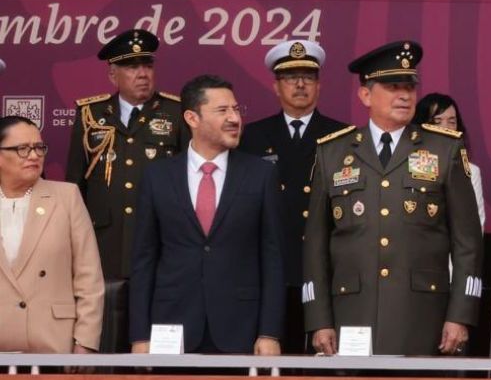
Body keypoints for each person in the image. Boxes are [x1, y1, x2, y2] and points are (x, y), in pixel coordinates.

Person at [303, 41, 483, 356]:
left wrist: (460, 315)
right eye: (392, 86)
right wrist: (319, 319)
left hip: (423, 316)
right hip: (351, 313)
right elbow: (315, 244)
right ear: (365, 95)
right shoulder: (333, 152)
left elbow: (468, 242)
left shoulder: (445, 149)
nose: (404, 95)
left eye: (410, 86)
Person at [129, 75, 285, 355]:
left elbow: (273, 258)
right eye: (222, 110)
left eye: (236, 110)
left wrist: (269, 332)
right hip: (171, 330)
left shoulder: (261, 175)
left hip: (241, 330)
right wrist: (140, 335)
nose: (234, 118)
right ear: (192, 117)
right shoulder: (157, 177)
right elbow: (144, 260)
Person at [65, 29, 187, 353]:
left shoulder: (177, 113)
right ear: (112, 73)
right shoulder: (89, 115)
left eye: (147, 65)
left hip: (162, 244)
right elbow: (75, 186)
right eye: (132, 66)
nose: (142, 73)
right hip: (105, 245)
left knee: (155, 340)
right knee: (105, 339)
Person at [239, 40, 348, 354]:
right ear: (276, 86)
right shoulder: (252, 137)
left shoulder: (341, 137)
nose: (300, 84)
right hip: (270, 265)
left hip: (324, 268)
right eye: (290, 78)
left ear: (320, 85)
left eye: (308, 77)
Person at [0, 116, 104, 355]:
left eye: (39, 147)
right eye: (22, 149)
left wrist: (85, 342)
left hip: (53, 344)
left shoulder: (66, 197)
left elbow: (89, 278)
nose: (34, 155)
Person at [415, 93, 485, 229]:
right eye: (436, 121)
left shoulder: (470, 171)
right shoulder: (405, 165)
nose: (445, 128)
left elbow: (474, 226)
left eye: (452, 122)